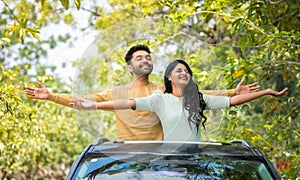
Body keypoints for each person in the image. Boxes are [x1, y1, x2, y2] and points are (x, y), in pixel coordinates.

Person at [24, 45, 260, 141]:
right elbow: (82, 101)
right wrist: (52, 96)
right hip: (127, 160)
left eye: (148, 57)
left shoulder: (160, 91)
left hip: (160, 160)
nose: (145, 59)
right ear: (130, 67)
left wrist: (232, 91)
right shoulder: (115, 93)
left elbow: (199, 93)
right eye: (139, 58)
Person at [70, 59, 288, 141]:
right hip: (170, 162)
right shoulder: (159, 99)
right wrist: (95, 105)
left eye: (186, 71)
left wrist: (267, 91)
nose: (184, 73)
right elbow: (127, 103)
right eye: (178, 71)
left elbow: (232, 101)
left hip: (197, 162)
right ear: (169, 77)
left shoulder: (199, 99)